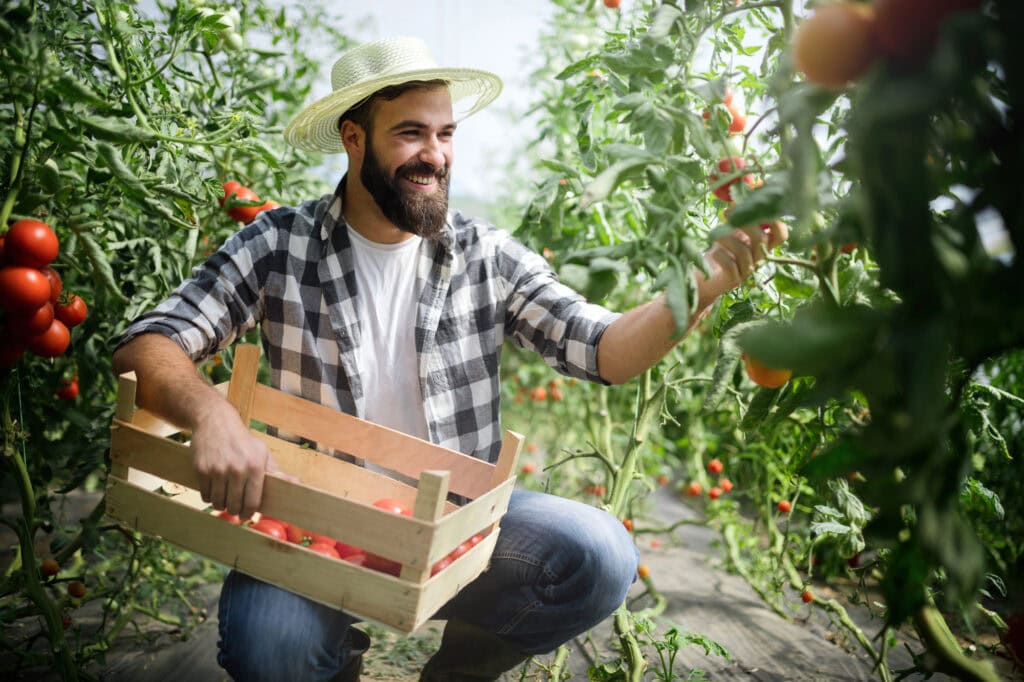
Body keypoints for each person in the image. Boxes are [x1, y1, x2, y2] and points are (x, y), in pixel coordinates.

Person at [111, 36, 787, 682]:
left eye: (445, 134)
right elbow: (149, 341)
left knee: (601, 552)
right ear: (354, 138)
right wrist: (210, 415)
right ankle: (334, 652)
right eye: (410, 133)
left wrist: (701, 280)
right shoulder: (279, 244)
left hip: (456, 525)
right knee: (271, 649)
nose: (434, 154)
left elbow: (603, 349)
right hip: (311, 529)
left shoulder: (483, 253)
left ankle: (459, 672)